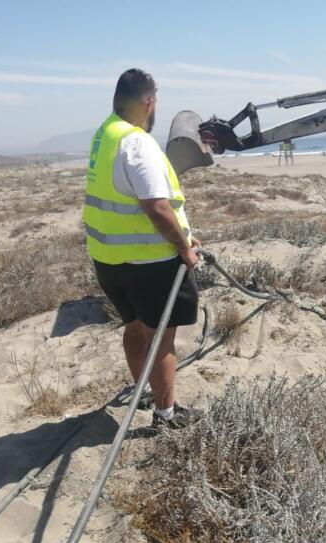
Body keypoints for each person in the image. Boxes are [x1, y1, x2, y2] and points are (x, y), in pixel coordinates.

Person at [82, 68, 201, 429]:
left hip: (108, 260)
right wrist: (185, 248)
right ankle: (165, 415)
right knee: (161, 341)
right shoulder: (137, 142)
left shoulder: (105, 134)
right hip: (148, 264)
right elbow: (156, 207)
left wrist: (183, 233)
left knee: (134, 328)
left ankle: (143, 390)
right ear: (149, 103)